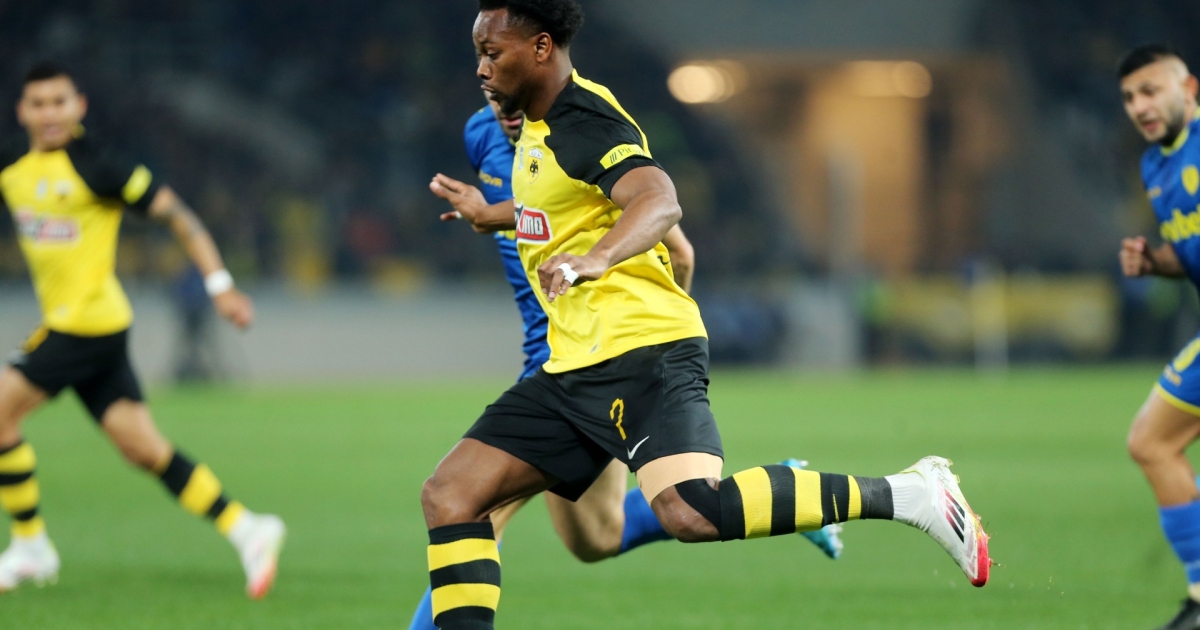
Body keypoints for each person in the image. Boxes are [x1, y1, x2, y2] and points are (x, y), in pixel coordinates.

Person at [417, 2, 990, 627]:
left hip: (641, 353)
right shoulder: (532, 127)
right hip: (572, 364)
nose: (480, 68)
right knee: (455, 495)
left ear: (541, 48)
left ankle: (908, 493)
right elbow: (557, 202)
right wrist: (493, 214)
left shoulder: (583, 119)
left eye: (492, 53)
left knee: (691, 512)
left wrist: (598, 258)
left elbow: (660, 200)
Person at [413, 93, 844, 629]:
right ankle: (784, 492)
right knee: (595, 538)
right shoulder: (482, 134)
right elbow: (537, 210)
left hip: (601, 356)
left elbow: (677, 248)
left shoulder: (578, 129)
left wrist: (654, 354)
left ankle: (791, 495)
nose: (496, 87)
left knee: (468, 509)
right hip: (551, 358)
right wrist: (492, 215)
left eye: (500, 58)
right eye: (485, 63)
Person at [0, 63, 284, 598]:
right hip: (96, 328)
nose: (49, 113)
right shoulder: (11, 167)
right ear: (21, 111)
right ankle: (247, 527)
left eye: (59, 102)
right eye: (38, 103)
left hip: (84, 325)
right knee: (145, 450)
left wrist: (221, 285)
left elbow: (181, 218)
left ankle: (31, 546)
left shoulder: (102, 166)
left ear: (79, 106)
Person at [1117, 44, 1200, 630]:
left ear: (1189, 89)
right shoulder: (1155, 166)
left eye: (1150, 91)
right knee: (1151, 442)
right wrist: (1155, 262)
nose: (1139, 106)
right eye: (1129, 98)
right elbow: (1189, 251)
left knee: (1152, 440)